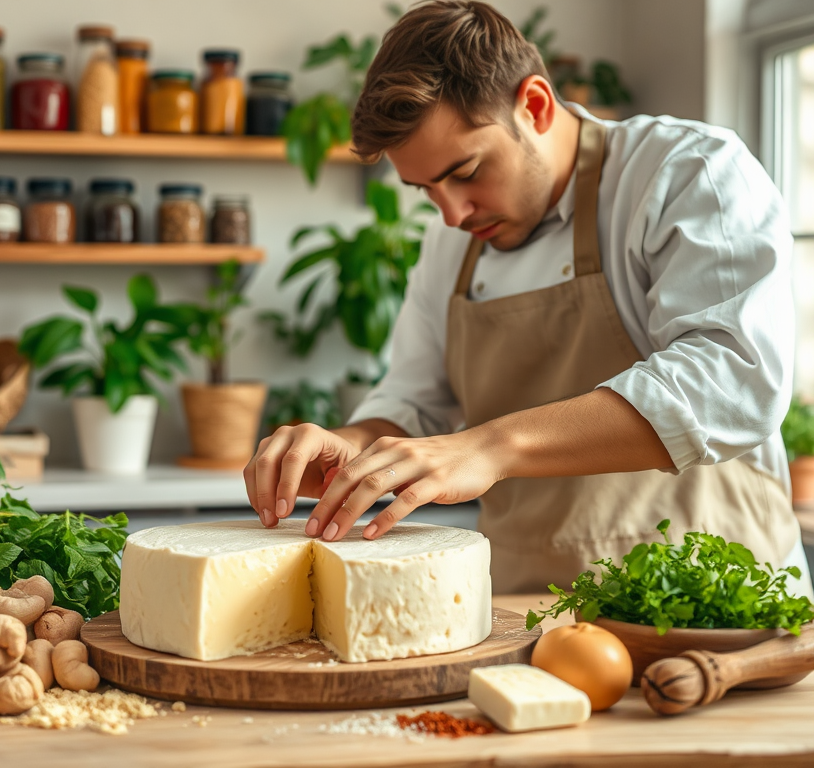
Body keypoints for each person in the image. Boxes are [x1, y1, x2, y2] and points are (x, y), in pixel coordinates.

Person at [243, 0, 814, 597]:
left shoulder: (686, 172)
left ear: (535, 106)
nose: (452, 213)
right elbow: (416, 408)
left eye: (466, 171)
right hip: (524, 616)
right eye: (424, 190)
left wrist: (491, 446)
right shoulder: (449, 245)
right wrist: (350, 448)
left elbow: (733, 384)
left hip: (711, 612)